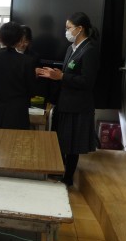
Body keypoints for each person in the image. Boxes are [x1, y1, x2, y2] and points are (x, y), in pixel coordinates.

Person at [36, 12, 99, 187]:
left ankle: (68, 177)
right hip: (64, 102)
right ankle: (58, 171)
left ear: (80, 29)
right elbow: (66, 73)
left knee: (72, 144)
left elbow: (87, 81)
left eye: (69, 28)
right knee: (61, 140)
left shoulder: (90, 49)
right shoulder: (71, 48)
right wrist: (54, 74)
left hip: (78, 105)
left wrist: (62, 77)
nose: (66, 31)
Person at [0, 21, 37, 130]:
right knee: (16, 141)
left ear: (0, 38)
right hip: (18, 114)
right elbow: (32, 91)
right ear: (19, 40)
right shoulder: (27, 61)